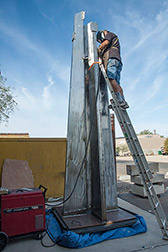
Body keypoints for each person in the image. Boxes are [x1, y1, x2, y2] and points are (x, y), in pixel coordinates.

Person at [97, 30, 129, 109]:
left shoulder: (110, 35)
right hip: (117, 61)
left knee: (110, 78)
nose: (101, 43)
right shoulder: (113, 43)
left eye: (100, 41)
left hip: (112, 59)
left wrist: (97, 50)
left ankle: (119, 100)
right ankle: (122, 101)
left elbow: (105, 43)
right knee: (116, 84)